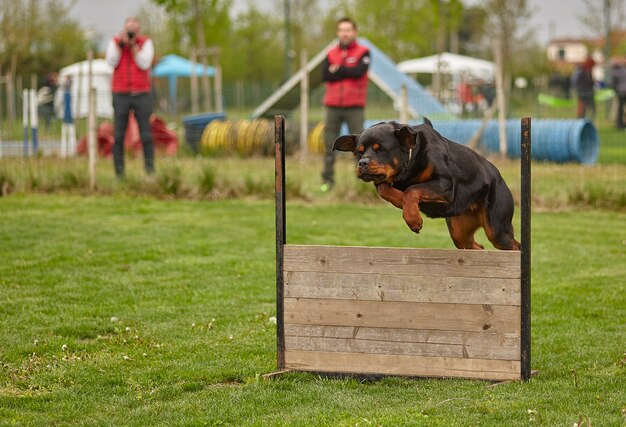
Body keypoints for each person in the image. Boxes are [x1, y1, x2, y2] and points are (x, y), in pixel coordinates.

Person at [320, 17, 370, 192]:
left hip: (354, 106)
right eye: (341, 30)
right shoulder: (330, 53)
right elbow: (326, 75)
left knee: (360, 145)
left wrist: (339, 69)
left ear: (354, 32)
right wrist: (344, 70)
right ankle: (327, 181)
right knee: (329, 144)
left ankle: (361, 183)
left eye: (348, 30)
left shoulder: (363, 52)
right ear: (337, 32)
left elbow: (358, 72)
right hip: (332, 106)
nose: (345, 33)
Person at [105, 17, 155, 178]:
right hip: (121, 94)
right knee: (119, 135)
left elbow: (144, 63)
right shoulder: (115, 43)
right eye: (129, 31)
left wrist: (134, 48)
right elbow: (111, 61)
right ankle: (119, 174)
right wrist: (121, 45)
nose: (131, 34)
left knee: (146, 135)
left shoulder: (145, 43)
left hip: (142, 94)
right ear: (124, 30)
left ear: (139, 31)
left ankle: (150, 172)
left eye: (134, 31)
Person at [610, 57, 626, 129]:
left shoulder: (614, 73)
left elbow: (613, 84)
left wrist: (615, 90)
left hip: (621, 92)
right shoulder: (624, 70)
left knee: (620, 109)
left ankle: (620, 124)